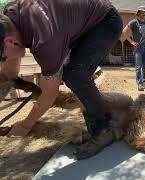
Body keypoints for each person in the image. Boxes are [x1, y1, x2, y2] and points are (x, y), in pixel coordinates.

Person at [0, 0, 123, 160]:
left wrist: (25, 125)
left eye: (2, 57)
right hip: (79, 25)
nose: (4, 60)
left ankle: (102, 130)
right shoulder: (9, 17)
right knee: (67, 72)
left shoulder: (44, 40)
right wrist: (9, 80)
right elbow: (9, 73)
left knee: (75, 74)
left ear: (10, 41)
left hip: (105, 22)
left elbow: (50, 95)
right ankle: (96, 118)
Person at [122, 6, 145, 91]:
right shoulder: (133, 22)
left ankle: (144, 82)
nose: (143, 15)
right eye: (141, 13)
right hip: (138, 48)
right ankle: (139, 84)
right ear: (138, 14)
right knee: (138, 66)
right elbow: (124, 31)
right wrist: (131, 41)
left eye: (144, 13)